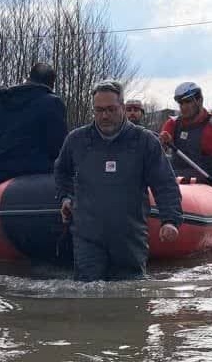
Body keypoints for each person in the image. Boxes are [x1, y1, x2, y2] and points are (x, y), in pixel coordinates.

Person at [54, 80, 182, 282]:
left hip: (129, 237)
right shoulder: (76, 140)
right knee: (88, 296)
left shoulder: (145, 142)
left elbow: (165, 184)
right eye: (99, 110)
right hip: (88, 236)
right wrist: (65, 197)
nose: (104, 116)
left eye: (111, 109)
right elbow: (61, 173)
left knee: (131, 297)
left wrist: (170, 220)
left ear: (122, 107)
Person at [159, 81, 212, 204]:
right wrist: (161, 144)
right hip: (176, 182)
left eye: (188, 102)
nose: (183, 107)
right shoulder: (172, 124)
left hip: (206, 185)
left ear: (199, 100)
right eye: (181, 103)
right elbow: (156, 155)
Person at [0, 62, 67, 188]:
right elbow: (60, 148)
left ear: (29, 78)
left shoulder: (3, 103)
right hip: (38, 177)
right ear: (51, 84)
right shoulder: (52, 103)